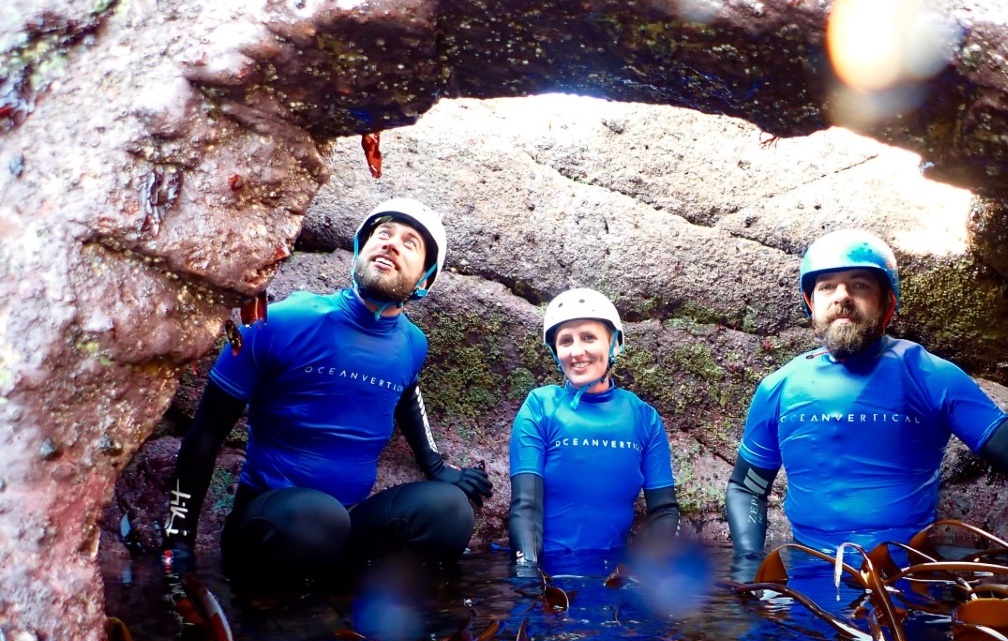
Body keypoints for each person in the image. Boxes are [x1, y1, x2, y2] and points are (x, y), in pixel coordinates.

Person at [726, 228, 1008, 565]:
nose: (842, 296)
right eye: (827, 286)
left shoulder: (931, 375)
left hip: (907, 576)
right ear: (811, 303)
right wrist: (747, 562)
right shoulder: (778, 387)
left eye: (859, 284)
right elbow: (747, 488)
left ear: (888, 304)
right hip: (808, 569)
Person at [159, 197, 492, 582]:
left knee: (449, 510)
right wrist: (178, 541)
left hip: (351, 521)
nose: (391, 243)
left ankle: (371, 613)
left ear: (424, 280)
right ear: (358, 251)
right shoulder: (280, 322)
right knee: (318, 518)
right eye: (382, 234)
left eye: (409, 243)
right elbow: (205, 433)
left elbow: (406, 395)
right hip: (275, 520)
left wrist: (436, 467)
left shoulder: (412, 344)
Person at [507, 288, 679, 567]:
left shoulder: (644, 417)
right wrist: (527, 577)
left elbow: (665, 510)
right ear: (555, 351)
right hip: (550, 572)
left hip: (617, 574)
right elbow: (525, 508)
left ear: (614, 343)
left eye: (589, 337)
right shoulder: (539, 406)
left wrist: (648, 574)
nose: (577, 352)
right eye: (566, 341)